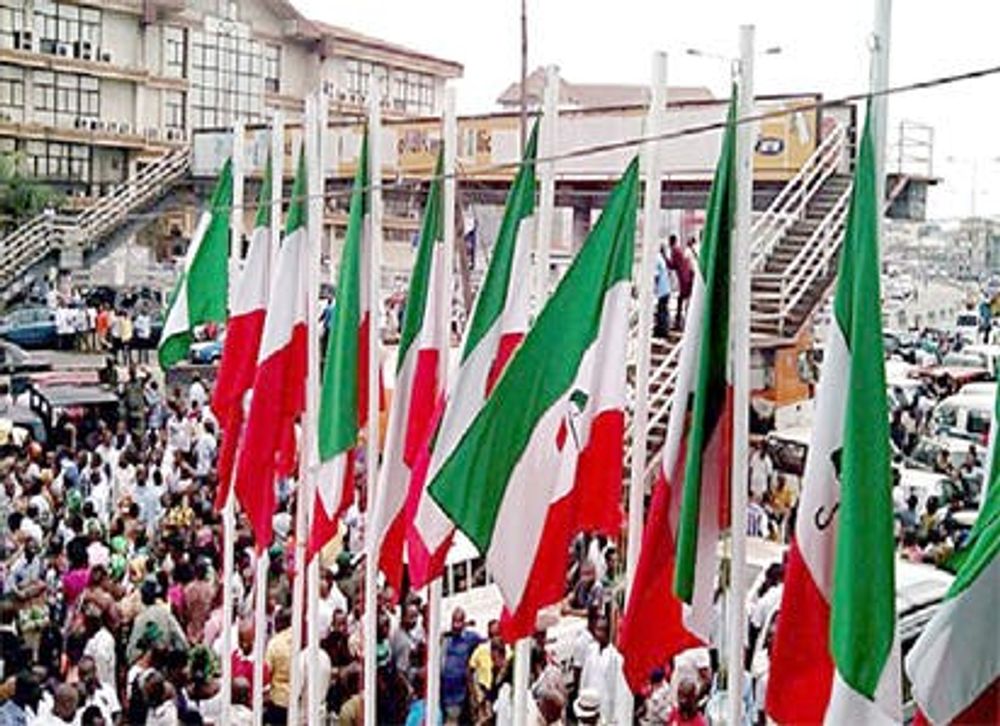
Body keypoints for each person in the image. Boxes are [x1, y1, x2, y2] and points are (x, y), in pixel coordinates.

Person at [441, 606, 483, 723]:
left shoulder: (471, 638)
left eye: (459, 621)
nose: (456, 625)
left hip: (460, 691)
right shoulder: (446, 638)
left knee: (453, 719)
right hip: (444, 689)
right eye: (454, 621)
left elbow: (485, 644)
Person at [666, 236, 694, 330]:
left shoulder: (675, 251)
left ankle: (681, 322)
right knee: (682, 300)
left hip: (684, 278)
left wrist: (664, 257)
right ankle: (681, 320)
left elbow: (672, 265)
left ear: (670, 242)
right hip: (686, 277)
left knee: (682, 300)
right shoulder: (678, 250)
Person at [654, 242, 673, 338]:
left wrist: (654, 289)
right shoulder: (662, 259)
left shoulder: (657, 258)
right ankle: (665, 329)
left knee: (661, 310)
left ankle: (661, 331)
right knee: (664, 310)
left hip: (662, 290)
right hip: (667, 289)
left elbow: (656, 276)